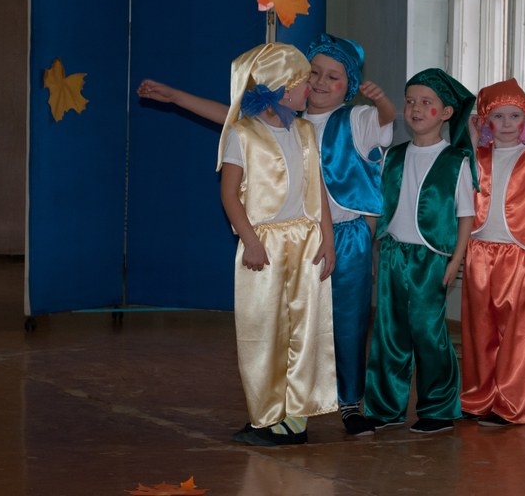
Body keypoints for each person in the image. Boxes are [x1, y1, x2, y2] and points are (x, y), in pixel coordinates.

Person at [137, 33, 395, 437]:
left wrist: (381, 100)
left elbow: (385, 121)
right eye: (313, 74)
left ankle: (348, 403)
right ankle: (288, 406)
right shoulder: (285, 122)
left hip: (342, 234)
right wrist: (176, 97)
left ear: (350, 86)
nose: (319, 83)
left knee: (347, 322)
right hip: (297, 237)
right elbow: (231, 117)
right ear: (290, 85)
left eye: (333, 77)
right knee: (295, 324)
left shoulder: (354, 119)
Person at [216, 42, 337, 446]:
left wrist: (328, 238)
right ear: (284, 89)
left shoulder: (305, 131)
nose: (310, 90)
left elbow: (317, 188)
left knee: (305, 328)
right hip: (264, 243)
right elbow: (230, 194)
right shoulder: (242, 134)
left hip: (305, 241)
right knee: (263, 329)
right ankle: (266, 413)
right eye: (305, 82)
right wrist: (250, 241)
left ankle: (295, 419)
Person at [364, 68, 477, 434]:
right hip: (393, 253)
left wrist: (456, 259)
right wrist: (372, 251)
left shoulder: (456, 161)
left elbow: (465, 215)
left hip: (431, 258)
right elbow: (379, 207)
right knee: (389, 331)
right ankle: (384, 407)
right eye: (410, 101)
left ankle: (438, 408)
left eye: (426, 102)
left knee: (428, 332)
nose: (415, 108)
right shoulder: (393, 156)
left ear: (446, 113)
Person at [460, 78, 525, 427]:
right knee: (479, 330)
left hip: (518, 255)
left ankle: (510, 404)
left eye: (515, 116)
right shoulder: (478, 157)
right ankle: (477, 398)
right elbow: (460, 172)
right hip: (478, 251)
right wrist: (472, 136)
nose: (506, 124)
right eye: (498, 116)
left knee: (516, 333)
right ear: (486, 121)